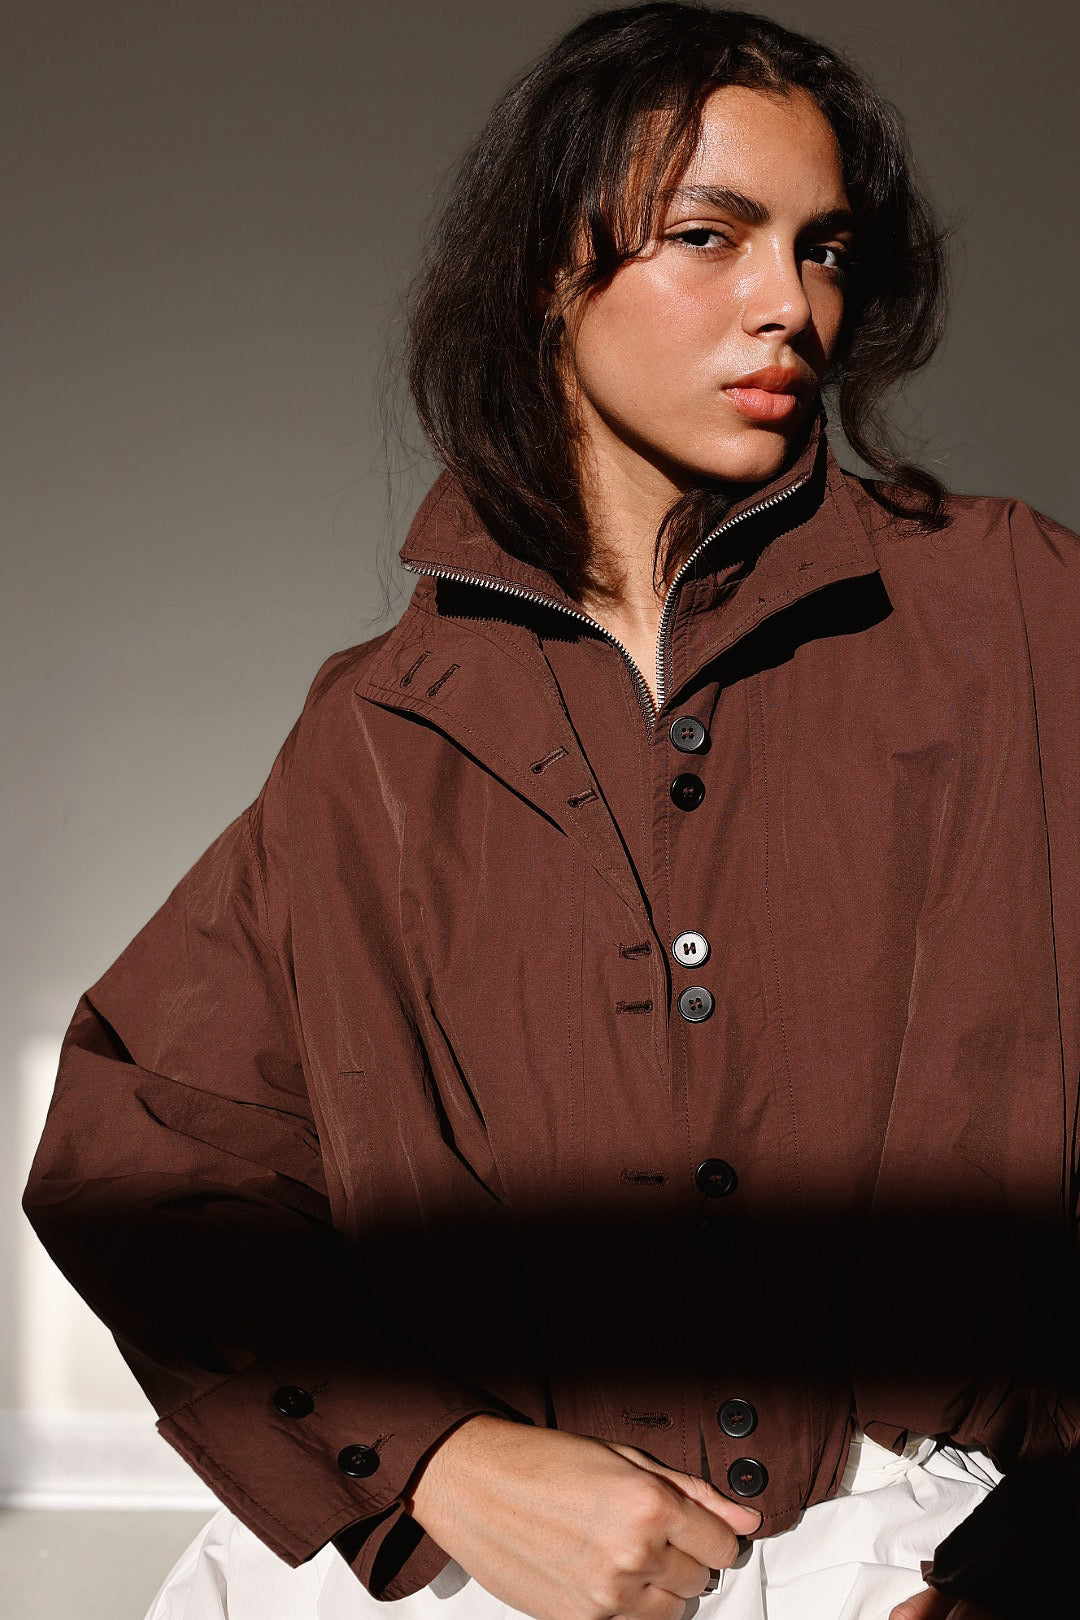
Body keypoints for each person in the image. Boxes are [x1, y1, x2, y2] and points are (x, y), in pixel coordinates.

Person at [22, 4, 1080, 1618]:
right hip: (484, 1583)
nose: (789, 304)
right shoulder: (379, 732)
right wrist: (440, 1462)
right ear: (544, 272)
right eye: (709, 236)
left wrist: (1044, 1546)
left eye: (820, 248)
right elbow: (143, 1154)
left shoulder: (1016, 614)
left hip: (929, 1554)